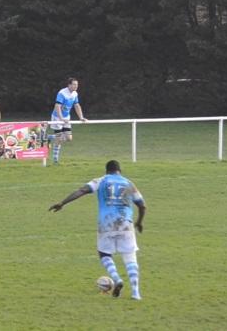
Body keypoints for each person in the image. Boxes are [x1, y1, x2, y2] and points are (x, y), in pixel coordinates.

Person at [49, 160, 146, 300]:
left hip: (106, 223)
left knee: (104, 254)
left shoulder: (101, 180)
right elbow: (142, 206)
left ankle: (117, 279)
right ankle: (136, 293)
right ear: (120, 170)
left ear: (107, 170)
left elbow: (82, 190)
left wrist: (62, 203)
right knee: (130, 256)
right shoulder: (128, 183)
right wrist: (139, 222)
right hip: (126, 223)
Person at [49, 78, 88, 164]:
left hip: (67, 117)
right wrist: (61, 118)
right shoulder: (62, 93)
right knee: (59, 139)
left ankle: (51, 137)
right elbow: (57, 106)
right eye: (74, 84)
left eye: (77, 85)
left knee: (69, 138)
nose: (76, 86)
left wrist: (81, 117)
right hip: (57, 118)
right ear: (69, 85)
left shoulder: (75, 94)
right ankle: (55, 159)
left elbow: (77, 105)